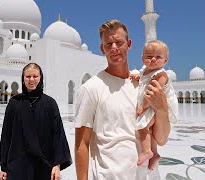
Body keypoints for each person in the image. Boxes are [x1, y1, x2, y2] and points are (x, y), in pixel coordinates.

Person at [75, 19, 175, 179]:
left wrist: (161, 108)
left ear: (128, 44)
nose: (114, 48)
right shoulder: (91, 88)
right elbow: (82, 143)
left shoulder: (144, 85)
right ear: (102, 48)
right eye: (108, 44)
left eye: (119, 42)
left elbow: (161, 140)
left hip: (149, 175)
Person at [0, 63, 72, 180]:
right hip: (18, 164)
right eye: (28, 77)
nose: (31, 80)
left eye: (35, 76)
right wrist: (3, 166)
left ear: (40, 78)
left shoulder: (50, 103)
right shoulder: (14, 103)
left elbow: (58, 136)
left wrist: (57, 164)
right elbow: (6, 135)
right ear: (23, 79)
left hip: (44, 164)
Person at [134, 40, 179, 171]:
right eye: (149, 57)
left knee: (142, 127)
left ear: (165, 60)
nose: (153, 59)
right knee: (150, 131)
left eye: (158, 57)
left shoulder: (160, 74)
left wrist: (142, 107)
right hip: (151, 108)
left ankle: (146, 151)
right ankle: (154, 154)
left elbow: (152, 94)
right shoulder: (145, 72)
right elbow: (142, 78)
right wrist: (136, 75)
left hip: (152, 106)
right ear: (142, 59)